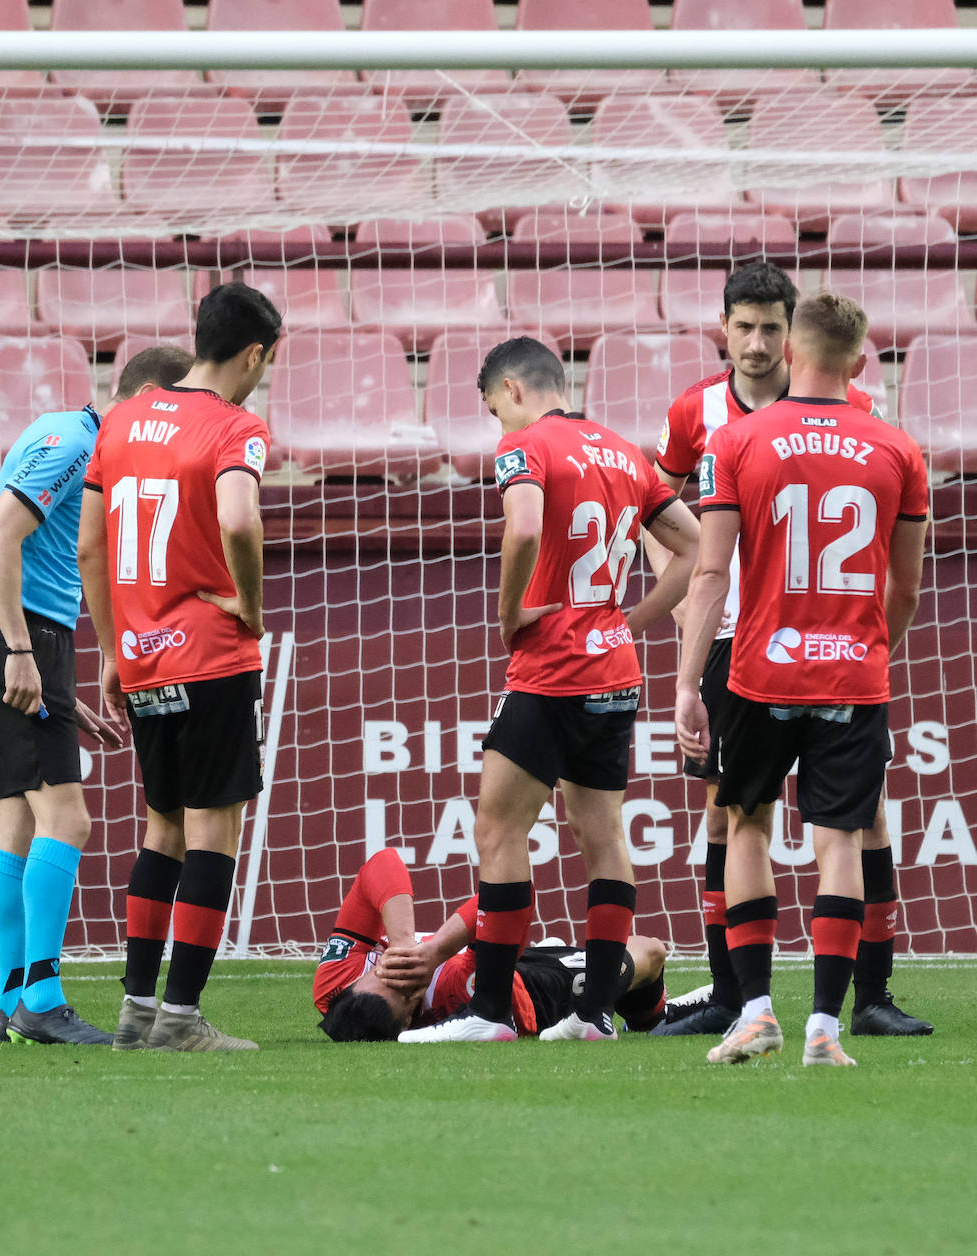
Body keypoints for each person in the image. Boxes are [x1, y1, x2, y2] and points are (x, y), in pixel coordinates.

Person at [647, 260, 931, 1038]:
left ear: (795, 342)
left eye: (774, 327)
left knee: (755, 817)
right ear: (725, 330)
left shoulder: (745, 437)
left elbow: (704, 561)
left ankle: (818, 1000)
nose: (759, 341)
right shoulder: (889, 441)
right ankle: (767, 1005)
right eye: (745, 326)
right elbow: (658, 509)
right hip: (814, 649)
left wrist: (679, 664)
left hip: (759, 654)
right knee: (783, 820)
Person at [399, 336, 700, 1044]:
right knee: (604, 840)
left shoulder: (527, 446)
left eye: (492, 410)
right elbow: (691, 548)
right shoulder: (625, 452)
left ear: (511, 388)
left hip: (553, 668)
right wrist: (629, 621)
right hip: (614, 671)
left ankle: (490, 1013)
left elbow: (525, 526)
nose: (498, 427)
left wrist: (510, 613)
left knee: (499, 829)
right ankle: (595, 1014)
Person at [0, 344, 194, 1045]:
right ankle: (43, 998)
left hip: (27, 637)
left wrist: (53, 676)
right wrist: (24, 654)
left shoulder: (92, 451)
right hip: (18, 634)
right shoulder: (70, 439)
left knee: (18, 822)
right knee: (70, 821)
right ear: (149, 396)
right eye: (175, 409)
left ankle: (10, 1003)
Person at [78, 283, 281, 1053]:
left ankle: (136, 1009)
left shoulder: (124, 418)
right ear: (255, 353)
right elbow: (238, 518)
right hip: (210, 653)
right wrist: (249, 607)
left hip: (139, 654)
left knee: (161, 828)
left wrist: (108, 645)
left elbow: (91, 546)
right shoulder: (236, 427)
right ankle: (184, 1019)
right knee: (212, 833)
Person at [313, 849, 668, 1041]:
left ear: (353, 984)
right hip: (530, 995)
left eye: (385, 971)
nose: (401, 972)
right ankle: (655, 1017)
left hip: (487, 952)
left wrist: (406, 944)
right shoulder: (455, 993)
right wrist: (436, 953)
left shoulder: (333, 980)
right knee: (650, 952)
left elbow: (383, 862)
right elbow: (514, 897)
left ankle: (551, 950)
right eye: (405, 991)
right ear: (409, 1020)